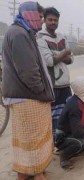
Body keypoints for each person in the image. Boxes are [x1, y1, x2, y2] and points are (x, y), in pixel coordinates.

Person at [1, 2, 54, 179]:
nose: (41, 21)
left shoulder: (22, 31)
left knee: (26, 141)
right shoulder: (20, 34)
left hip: (24, 97)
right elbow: (29, 72)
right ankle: (36, 174)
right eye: (39, 17)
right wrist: (41, 91)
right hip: (28, 98)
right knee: (32, 141)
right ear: (29, 15)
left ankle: (26, 173)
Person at [37, 7, 73, 142]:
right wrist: (64, 53)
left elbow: (71, 59)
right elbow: (49, 61)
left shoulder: (62, 37)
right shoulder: (40, 38)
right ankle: (56, 144)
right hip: (53, 86)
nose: (53, 22)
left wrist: (57, 55)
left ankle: (66, 143)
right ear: (44, 20)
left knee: (67, 115)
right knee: (54, 118)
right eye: (50, 20)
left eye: (55, 20)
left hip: (65, 85)